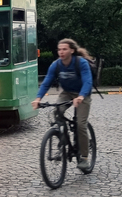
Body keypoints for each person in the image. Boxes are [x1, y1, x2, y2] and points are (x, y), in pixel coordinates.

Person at [32, 38, 94, 171]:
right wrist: (38, 98)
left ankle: (84, 157)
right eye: (59, 49)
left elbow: (88, 81)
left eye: (64, 49)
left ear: (72, 50)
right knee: (57, 111)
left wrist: (81, 96)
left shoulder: (81, 63)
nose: (61, 52)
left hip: (83, 93)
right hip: (67, 92)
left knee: (80, 124)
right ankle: (63, 140)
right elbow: (46, 82)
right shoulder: (56, 65)